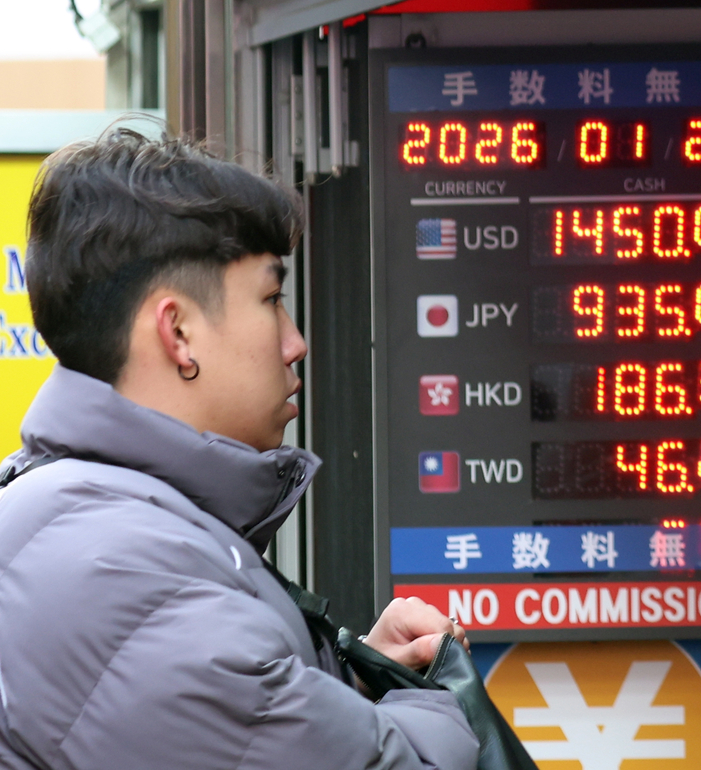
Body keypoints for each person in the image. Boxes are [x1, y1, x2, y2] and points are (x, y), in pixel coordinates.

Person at [0, 128, 480, 769]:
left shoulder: (89, 518)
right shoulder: (128, 578)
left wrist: (358, 679)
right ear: (178, 332)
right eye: (272, 299)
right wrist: (439, 701)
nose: (295, 342)